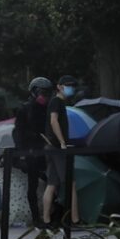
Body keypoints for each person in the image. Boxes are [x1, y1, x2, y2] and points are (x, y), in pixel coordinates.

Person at [13, 77, 53, 226]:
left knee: (53, 182)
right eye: (42, 92)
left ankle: (51, 215)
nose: (45, 96)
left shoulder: (49, 108)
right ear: (34, 92)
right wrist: (22, 153)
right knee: (33, 185)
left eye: (47, 93)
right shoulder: (24, 109)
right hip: (31, 151)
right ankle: (36, 218)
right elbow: (18, 132)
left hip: (47, 150)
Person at [42, 75, 80, 228]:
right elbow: (53, 120)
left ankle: (46, 220)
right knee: (71, 183)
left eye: (73, 85)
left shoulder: (57, 102)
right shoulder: (57, 102)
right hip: (58, 147)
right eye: (68, 85)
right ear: (59, 86)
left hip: (50, 146)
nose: (71, 88)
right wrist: (63, 141)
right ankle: (75, 220)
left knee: (52, 184)